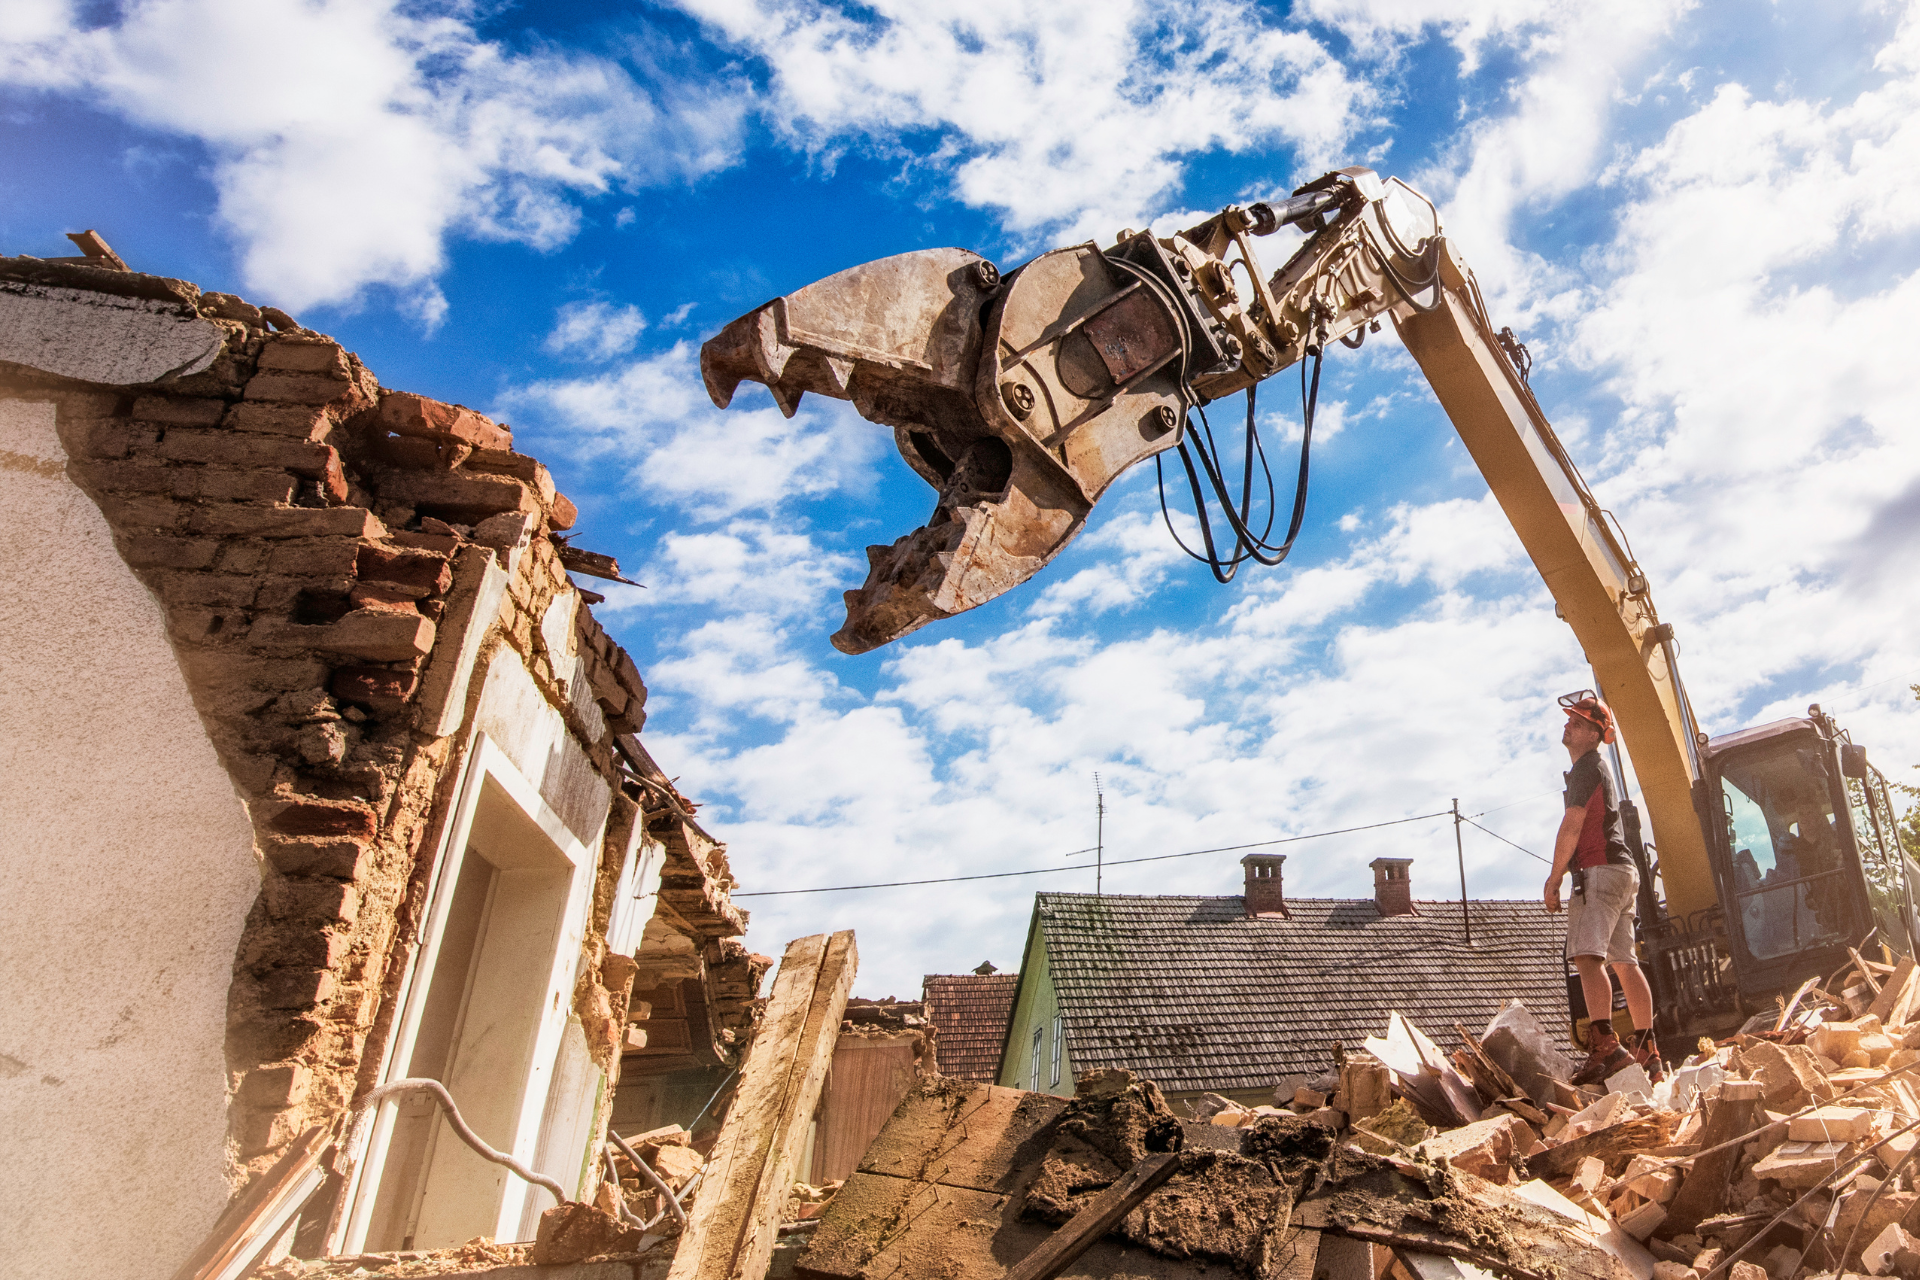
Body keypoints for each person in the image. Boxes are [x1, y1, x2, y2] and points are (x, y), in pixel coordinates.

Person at [1543, 690, 1665, 1085]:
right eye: (1569, 720)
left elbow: (1573, 824)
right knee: (1624, 962)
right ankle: (1648, 1048)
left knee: (1586, 957)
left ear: (1595, 734)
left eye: (1576, 723)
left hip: (1598, 870)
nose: (1567, 725)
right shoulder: (1598, 768)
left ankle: (1605, 1045)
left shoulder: (1585, 770)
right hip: (1623, 872)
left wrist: (1555, 876)